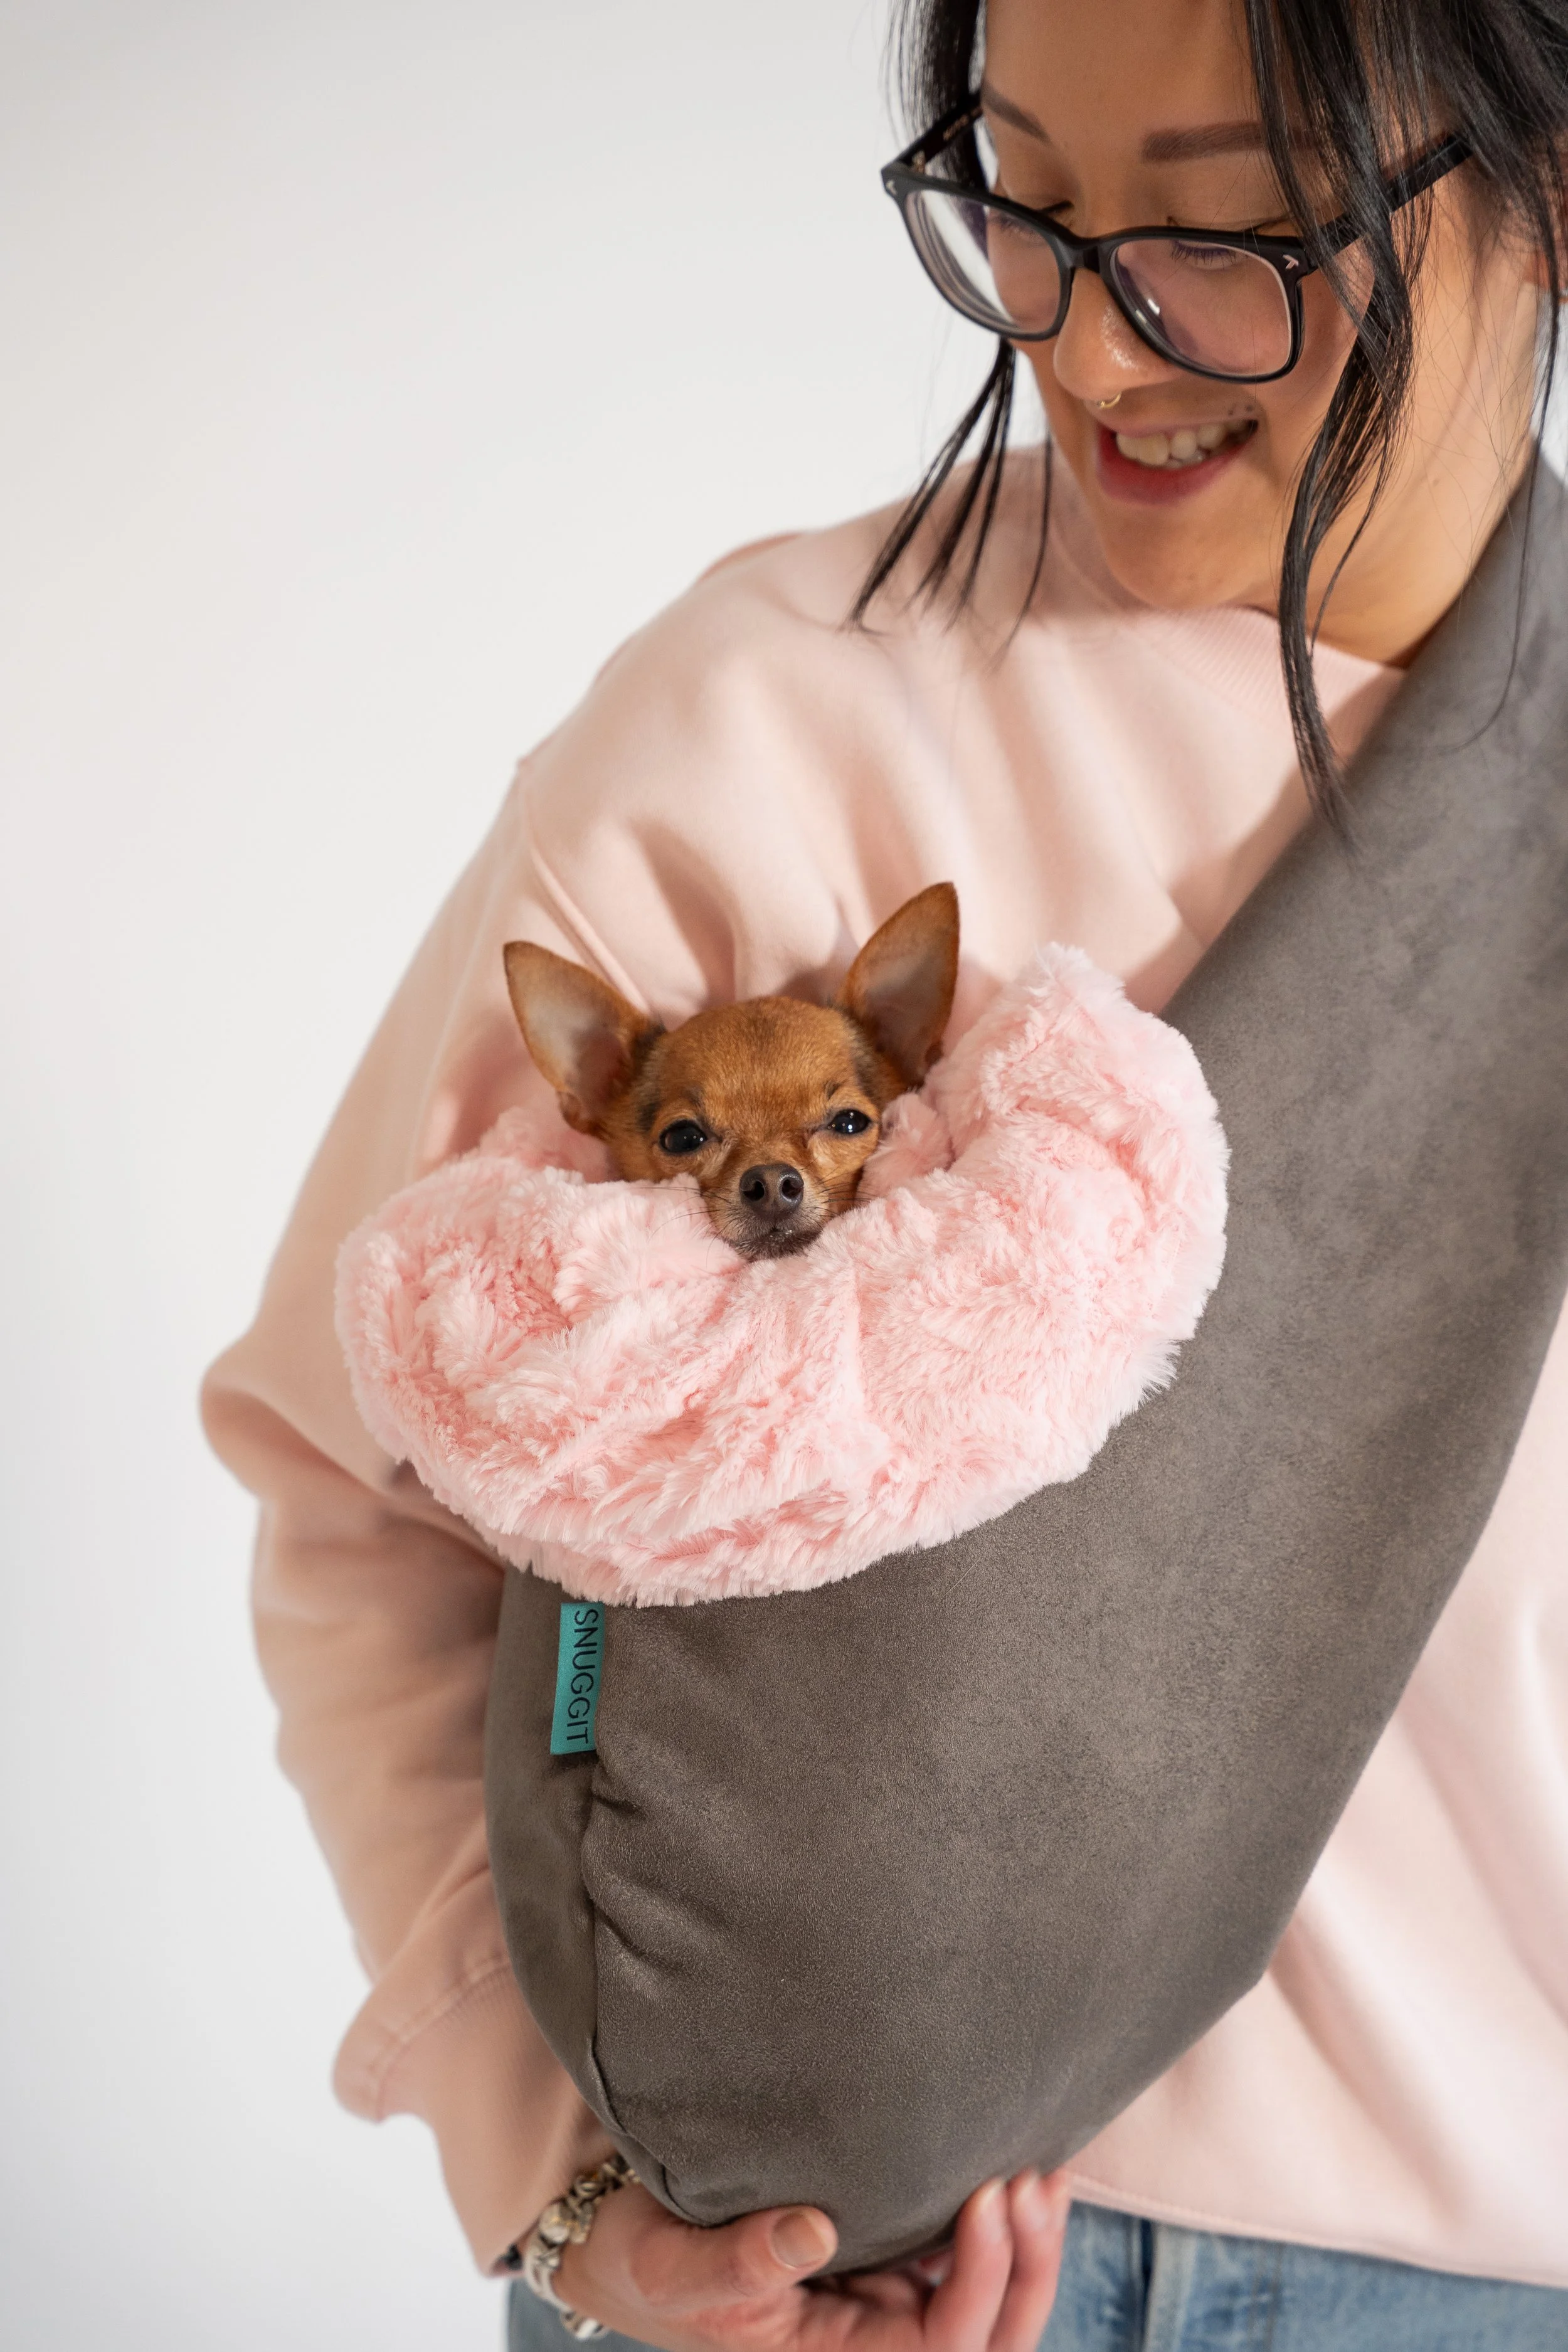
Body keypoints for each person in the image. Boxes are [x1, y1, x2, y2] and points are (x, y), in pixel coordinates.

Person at [201, 1, 1568, 2347]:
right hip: (828, 2265)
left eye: (1234, 223)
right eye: (1023, 201)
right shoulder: (781, 710)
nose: (1098, 332)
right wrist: (560, 2194)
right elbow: (368, 1484)